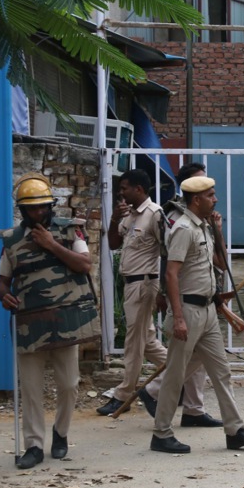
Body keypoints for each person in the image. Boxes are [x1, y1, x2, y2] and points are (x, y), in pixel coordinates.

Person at [147, 173, 244, 454]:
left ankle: (235, 430)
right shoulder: (184, 229)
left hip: (208, 310)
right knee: (176, 375)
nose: (216, 199)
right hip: (187, 311)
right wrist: (177, 317)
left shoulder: (204, 227)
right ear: (197, 199)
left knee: (221, 371)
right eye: (211, 195)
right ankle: (161, 433)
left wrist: (219, 230)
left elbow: (220, 264)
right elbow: (171, 275)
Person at [0, 172, 98, 469]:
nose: (37, 213)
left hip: (67, 320)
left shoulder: (70, 232)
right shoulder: (12, 240)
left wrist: (51, 244)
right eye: (31, 208)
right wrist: (3, 295)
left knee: (69, 385)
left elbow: (85, 265)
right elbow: (2, 282)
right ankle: (34, 445)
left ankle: (61, 433)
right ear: (22, 210)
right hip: (30, 323)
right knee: (30, 388)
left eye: (42, 207)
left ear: (50, 206)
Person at [97, 169, 168, 417]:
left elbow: (167, 253)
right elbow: (113, 244)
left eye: (125, 188)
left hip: (145, 285)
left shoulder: (155, 214)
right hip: (130, 285)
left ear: (139, 189)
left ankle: (123, 395)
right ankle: (179, 374)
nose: (121, 193)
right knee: (146, 341)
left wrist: (164, 293)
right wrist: (115, 219)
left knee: (133, 343)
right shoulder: (130, 215)